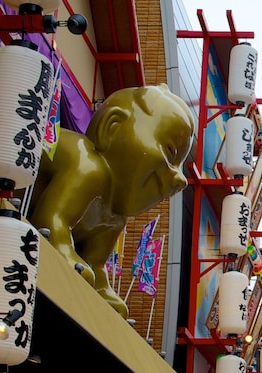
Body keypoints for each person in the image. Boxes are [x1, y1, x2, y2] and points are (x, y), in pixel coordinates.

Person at [28, 84, 195, 317]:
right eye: (169, 153)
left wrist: (99, 281)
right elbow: (51, 222)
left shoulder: (115, 215)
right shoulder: (86, 163)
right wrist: (63, 245)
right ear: (112, 127)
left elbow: (94, 264)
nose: (180, 179)